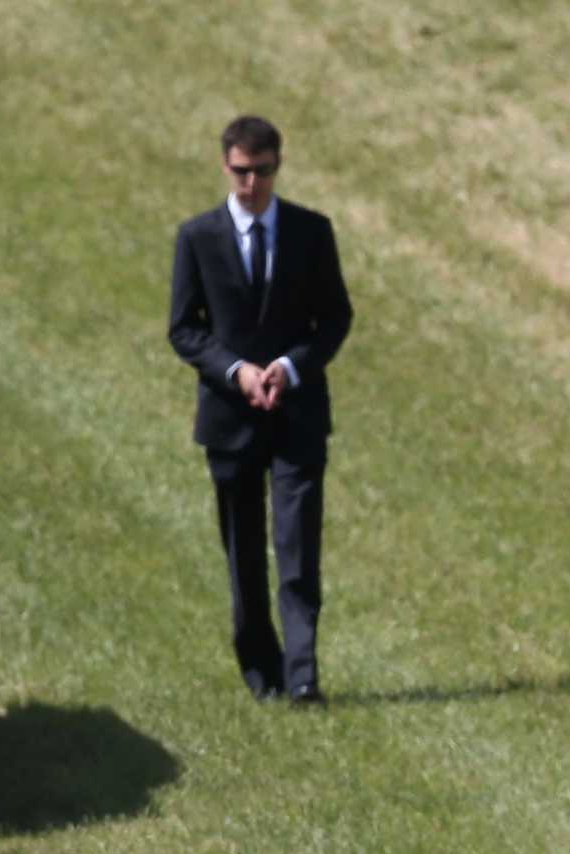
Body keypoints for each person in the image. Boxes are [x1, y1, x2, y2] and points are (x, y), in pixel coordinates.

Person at [167, 114, 353, 704]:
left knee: (297, 547)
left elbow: (336, 318)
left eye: (264, 171)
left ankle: (302, 675)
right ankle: (261, 670)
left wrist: (291, 367)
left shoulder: (311, 232)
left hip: (297, 417)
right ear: (226, 166)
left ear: (278, 165)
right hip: (230, 421)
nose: (253, 184)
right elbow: (184, 330)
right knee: (244, 553)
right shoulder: (198, 238)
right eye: (243, 172)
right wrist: (236, 371)